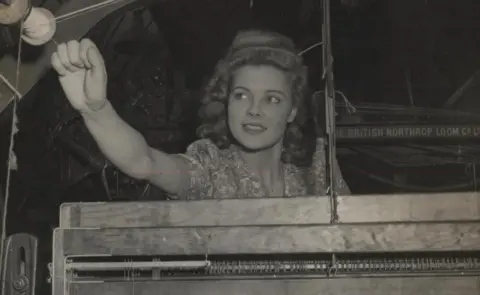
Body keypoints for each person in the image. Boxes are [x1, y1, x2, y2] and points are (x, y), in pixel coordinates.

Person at [51, 29, 349, 199]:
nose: (254, 110)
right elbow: (144, 162)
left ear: (292, 110)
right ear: (225, 101)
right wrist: (96, 110)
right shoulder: (209, 166)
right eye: (241, 95)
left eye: (272, 99)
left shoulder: (318, 164)